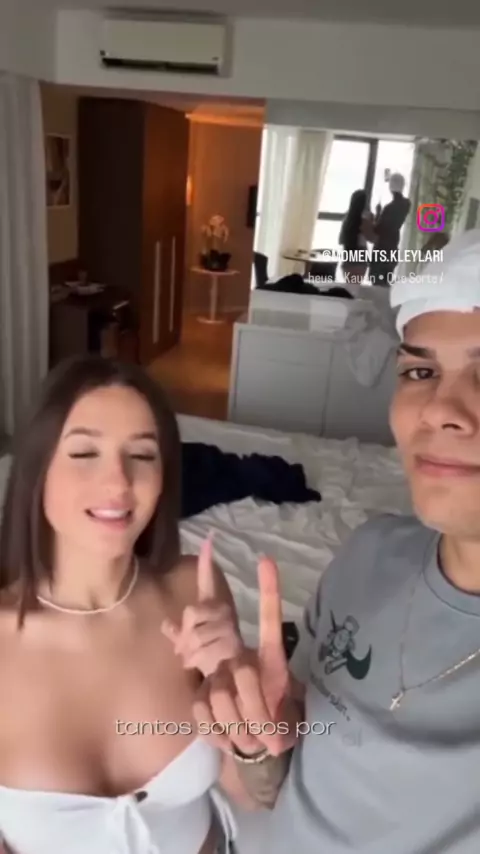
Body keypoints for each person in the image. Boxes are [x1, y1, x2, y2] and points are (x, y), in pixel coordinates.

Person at [172, 229, 480, 853]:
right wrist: (257, 734)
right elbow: (280, 774)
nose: (438, 410)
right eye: (420, 371)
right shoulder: (369, 553)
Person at [0, 354, 286, 854]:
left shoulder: (193, 592)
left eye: (142, 455)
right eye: (84, 452)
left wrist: (242, 705)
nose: (118, 483)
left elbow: (252, 796)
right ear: (37, 469)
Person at [365, 172, 411, 285]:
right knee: (385, 283)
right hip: (392, 250)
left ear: (391, 187)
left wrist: (377, 214)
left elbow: (378, 230)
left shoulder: (388, 208)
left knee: (377, 285)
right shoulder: (406, 204)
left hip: (381, 251)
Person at [338, 188, 369, 283]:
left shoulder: (347, 219)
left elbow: (341, 240)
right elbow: (373, 238)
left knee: (349, 286)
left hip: (348, 258)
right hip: (360, 258)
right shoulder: (365, 220)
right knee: (356, 286)